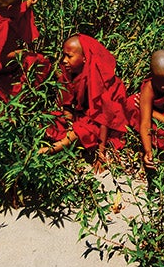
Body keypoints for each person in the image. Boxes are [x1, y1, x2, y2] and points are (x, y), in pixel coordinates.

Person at [38, 34, 131, 171]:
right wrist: (68, 119)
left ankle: (54, 148)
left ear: (85, 58)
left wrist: (101, 153)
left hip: (106, 124)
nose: (64, 60)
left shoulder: (100, 79)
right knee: (49, 118)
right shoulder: (73, 74)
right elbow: (67, 103)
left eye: (69, 56)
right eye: (64, 55)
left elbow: (104, 118)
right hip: (84, 116)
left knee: (84, 130)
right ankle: (67, 141)